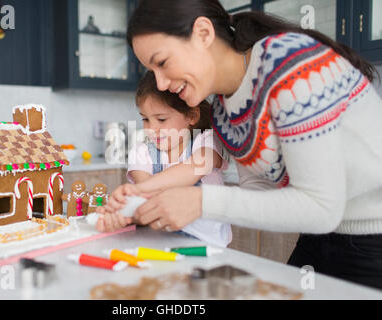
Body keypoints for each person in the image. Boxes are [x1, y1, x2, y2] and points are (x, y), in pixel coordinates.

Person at [119, 0, 382, 289]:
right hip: (317, 237)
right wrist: (145, 195)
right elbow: (260, 191)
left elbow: (322, 207)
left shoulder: (289, 64)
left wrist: (200, 201)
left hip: (372, 241)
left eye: (162, 63)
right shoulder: (222, 109)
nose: (161, 83)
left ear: (203, 33)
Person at [96, 71, 232, 247]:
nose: (152, 128)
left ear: (192, 116)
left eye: (161, 119)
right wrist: (122, 215)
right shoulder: (142, 152)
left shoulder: (207, 141)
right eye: (145, 119)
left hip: (208, 246)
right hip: (161, 243)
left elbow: (191, 169)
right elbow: (146, 202)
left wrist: (137, 191)